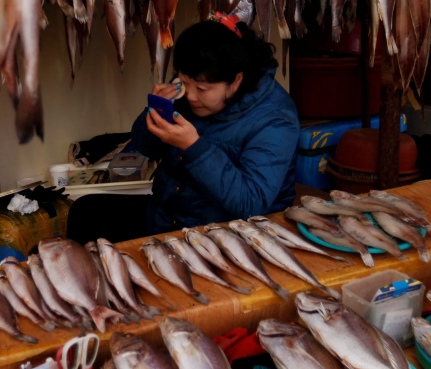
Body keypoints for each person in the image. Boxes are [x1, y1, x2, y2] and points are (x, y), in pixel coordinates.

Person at [66, 14, 299, 242]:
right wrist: (155, 111)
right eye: (184, 82)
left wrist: (193, 147)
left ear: (236, 80)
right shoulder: (190, 82)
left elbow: (249, 203)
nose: (192, 96)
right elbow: (146, 147)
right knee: (85, 211)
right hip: (171, 214)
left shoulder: (276, 118)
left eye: (202, 89)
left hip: (228, 234)